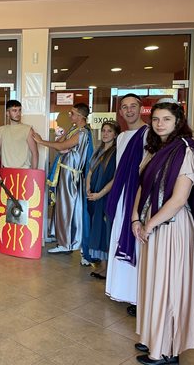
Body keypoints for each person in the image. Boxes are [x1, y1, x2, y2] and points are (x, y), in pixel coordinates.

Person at [132, 100, 194, 365]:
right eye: (155, 119)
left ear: (178, 123)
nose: (159, 123)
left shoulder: (185, 151)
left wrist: (150, 224)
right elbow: (141, 187)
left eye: (166, 119)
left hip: (171, 226)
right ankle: (154, 336)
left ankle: (166, 350)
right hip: (150, 223)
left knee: (168, 286)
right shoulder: (155, 150)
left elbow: (178, 199)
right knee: (152, 283)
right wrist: (134, 220)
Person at [105, 93, 148, 317]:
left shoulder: (148, 134)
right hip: (122, 194)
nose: (129, 110)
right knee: (118, 238)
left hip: (137, 196)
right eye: (124, 107)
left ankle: (137, 294)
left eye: (133, 106)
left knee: (135, 242)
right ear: (120, 112)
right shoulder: (121, 137)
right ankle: (119, 289)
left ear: (140, 108)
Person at [33, 103, 93, 260]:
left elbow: (62, 146)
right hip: (65, 172)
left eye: (72, 113)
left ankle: (66, 243)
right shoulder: (75, 130)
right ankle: (61, 236)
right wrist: (61, 140)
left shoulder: (82, 133)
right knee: (61, 206)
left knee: (66, 207)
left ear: (80, 116)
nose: (69, 116)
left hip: (70, 175)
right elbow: (62, 146)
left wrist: (41, 141)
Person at [86, 121, 120, 279]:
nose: (105, 134)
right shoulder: (98, 150)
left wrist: (100, 194)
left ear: (115, 134)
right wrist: (88, 188)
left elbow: (115, 179)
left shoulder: (116, 153)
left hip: (106, 197)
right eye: (104, 130)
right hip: (94, 196)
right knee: (97, 229)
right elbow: (90, 171)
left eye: (109, 131)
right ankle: (103, 265)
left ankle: (109, 269)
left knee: (106, 231)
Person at [0, 99, 39, 183]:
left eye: (19, 110)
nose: (18, 113)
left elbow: (35, 152)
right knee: (7, 196)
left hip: (24, 171)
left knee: (22, 196)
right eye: (14, 110)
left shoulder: (28, 129)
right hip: (6, 171)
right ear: (7, 113)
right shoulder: (1, 130)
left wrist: (33, 174)